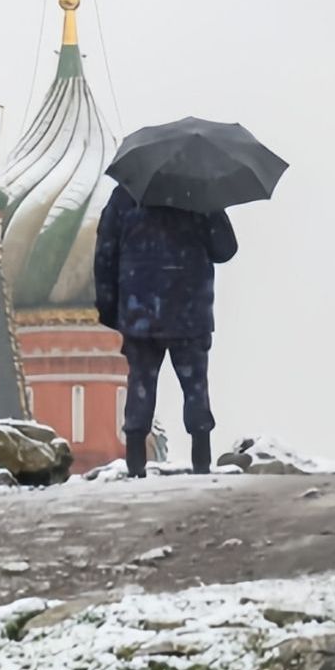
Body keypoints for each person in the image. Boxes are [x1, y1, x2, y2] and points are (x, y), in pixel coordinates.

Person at [93, 184, 238, 477]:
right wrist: (212, 210)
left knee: (141, 386)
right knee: (195, 387)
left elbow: (105, 255)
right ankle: (201, 462)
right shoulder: (198, 194)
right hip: (189, 311)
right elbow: (225, 249)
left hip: (139, 312)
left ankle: (136, 466)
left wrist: (110, 309)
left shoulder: (126, 196)